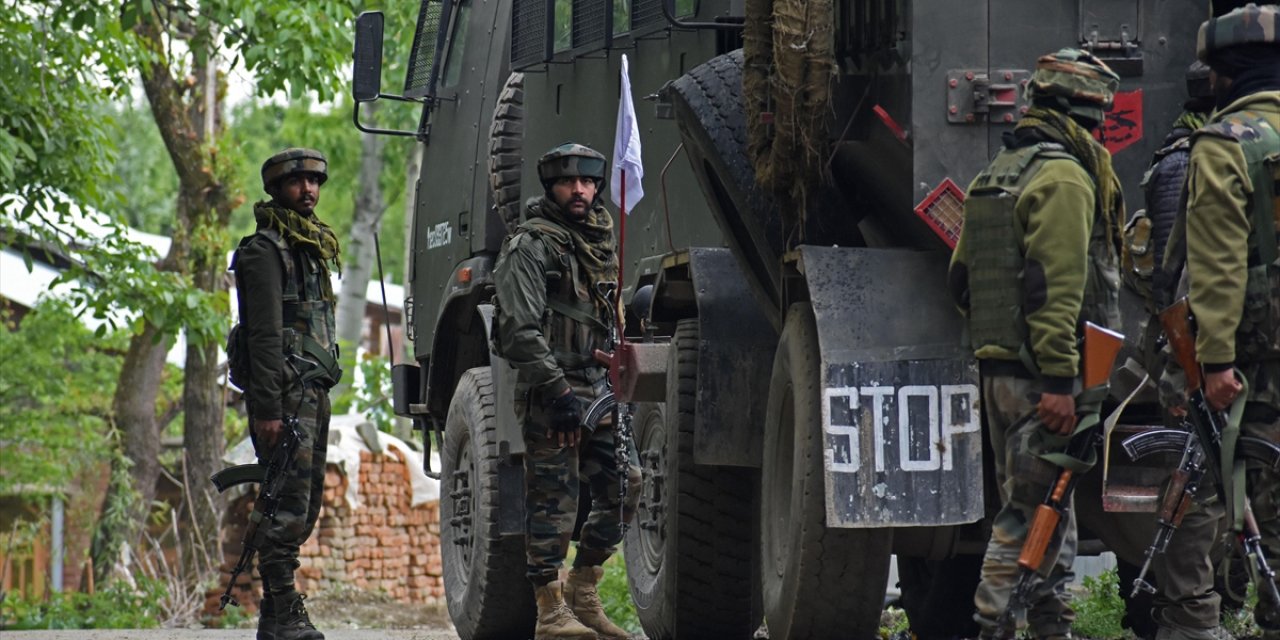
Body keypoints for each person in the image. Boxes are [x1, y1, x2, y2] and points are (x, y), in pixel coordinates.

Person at [948, 48, 1123, 639]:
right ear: (1084, 111)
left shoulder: (997, 173)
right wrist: (1058, 381)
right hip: (1042, 382)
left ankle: (1054, 628)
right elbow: (1058, 288)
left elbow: (960, 279)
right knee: (1027, 513)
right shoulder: (1066, 177)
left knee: (1051, 504)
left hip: (999, 373)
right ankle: (991, 624)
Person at [493, 143, 641, 640]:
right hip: (553, 389)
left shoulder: (600, 239)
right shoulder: (531, 244)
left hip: (599, 390)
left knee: (627, 484)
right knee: (554, 500)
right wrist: (556, 392)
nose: (579, 190)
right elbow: (517, 328)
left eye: (588, 181)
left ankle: (584, 590)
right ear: (551, 187)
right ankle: (549, 610)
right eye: (568, 182)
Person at [1177, 5, 1280, 638]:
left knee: (1262, 500)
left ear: (1224, 73)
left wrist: (1214, 361)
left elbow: (1216, 264)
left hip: (1258, 359)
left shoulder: (1225, 144)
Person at [230, 148, 344, 640]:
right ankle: (286, 609)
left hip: (312, 394)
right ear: (276, 188)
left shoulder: (311, 247)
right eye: (297, 182)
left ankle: (275, 619)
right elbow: (264, 337)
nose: (309, 191)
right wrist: (268, 411)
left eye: (315, 182)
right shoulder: (264, 251)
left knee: (306, 505)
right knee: (285, 505)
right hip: (284, 398)